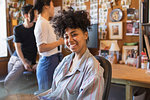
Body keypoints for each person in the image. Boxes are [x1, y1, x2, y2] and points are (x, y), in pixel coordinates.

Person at [34, 8, 104, 100]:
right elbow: (55, 92)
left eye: (74, 34)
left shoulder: (93, 70)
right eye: (66, 37)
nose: (69, 40)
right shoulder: (65, 61)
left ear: (85, 35)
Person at [4, 4, 37, 93]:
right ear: (26, 16)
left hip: (26, 59)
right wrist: (23, 62)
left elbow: (41, 46)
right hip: (16, 57)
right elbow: (17, 47)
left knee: (8, 81)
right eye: (33, 13)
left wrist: (30, 63)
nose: (36, 15)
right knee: (13, 81)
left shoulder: (37, 27)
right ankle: (12, 96)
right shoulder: (17, 29)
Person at [33, 0, 64, 93]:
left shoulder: (46, 22)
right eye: (52, 4)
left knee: (53, 93)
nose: (53, 7)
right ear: (46, 6)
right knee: (47, 95)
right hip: (47, 64)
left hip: (53, 61)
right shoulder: (41, 23)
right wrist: (60, 42)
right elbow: (41, 48)